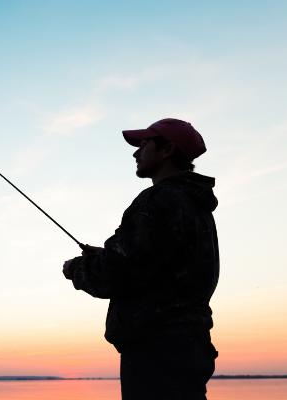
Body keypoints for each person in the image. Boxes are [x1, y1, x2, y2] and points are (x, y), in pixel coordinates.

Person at [62, 118, 219, 400]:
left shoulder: (157, 200)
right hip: (189, 344)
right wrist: (110, 254)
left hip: (157, 350)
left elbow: (117, 274)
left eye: (144, 145)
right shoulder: (195, 205)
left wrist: (77, 269)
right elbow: (159, 264)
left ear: (167, 149)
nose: (136, 153)